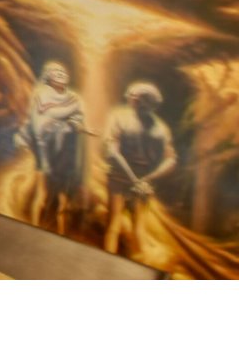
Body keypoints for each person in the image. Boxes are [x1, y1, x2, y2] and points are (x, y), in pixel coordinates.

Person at [102, 80, 178, 258]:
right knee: (133, 227)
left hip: (121, 178)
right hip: (140, 182)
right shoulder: (161, 128)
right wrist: (146, 180)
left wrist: (140, 179)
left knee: (117, 225)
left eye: (137, 98)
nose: (134, 100)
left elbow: (112, 151)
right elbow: (171, 160)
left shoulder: (119, 116)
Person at [17, 60, 87, 233]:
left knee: (63, 199)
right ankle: (33, 229)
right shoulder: (41, 94)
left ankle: (60, 233)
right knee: (42, 193)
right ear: (48, 76)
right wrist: (44, 160)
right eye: (56, 71)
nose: (61, 74)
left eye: (63, 71)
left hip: (66, 153)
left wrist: (74, 124)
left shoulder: (74, 98)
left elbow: (77, 118)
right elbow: (38, 125)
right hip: (45, 149)